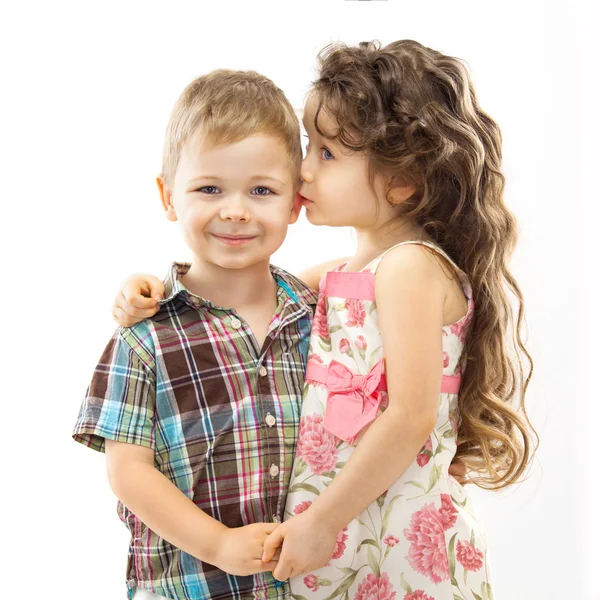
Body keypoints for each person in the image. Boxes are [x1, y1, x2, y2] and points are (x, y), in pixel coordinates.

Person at [114, 40, 538, 600]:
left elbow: (411, 416)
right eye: (310, 148)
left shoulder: (408, 267)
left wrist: (322, 523)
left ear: (402, 180)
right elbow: (242, 289)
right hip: (353, 540)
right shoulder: (344, 274)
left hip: (395, 542)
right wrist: (145, 292)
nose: (304, 170)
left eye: (328, 154)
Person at [72, 69, 318, 600]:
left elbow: (380, 268)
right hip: (188, 586)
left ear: (295, 203)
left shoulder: (316, 317)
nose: (235, 210)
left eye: (261, 190)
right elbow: (129, 475)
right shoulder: (144, 338)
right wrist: (219, 543)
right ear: (168, 197)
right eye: (209, 188)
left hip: (307, 585)